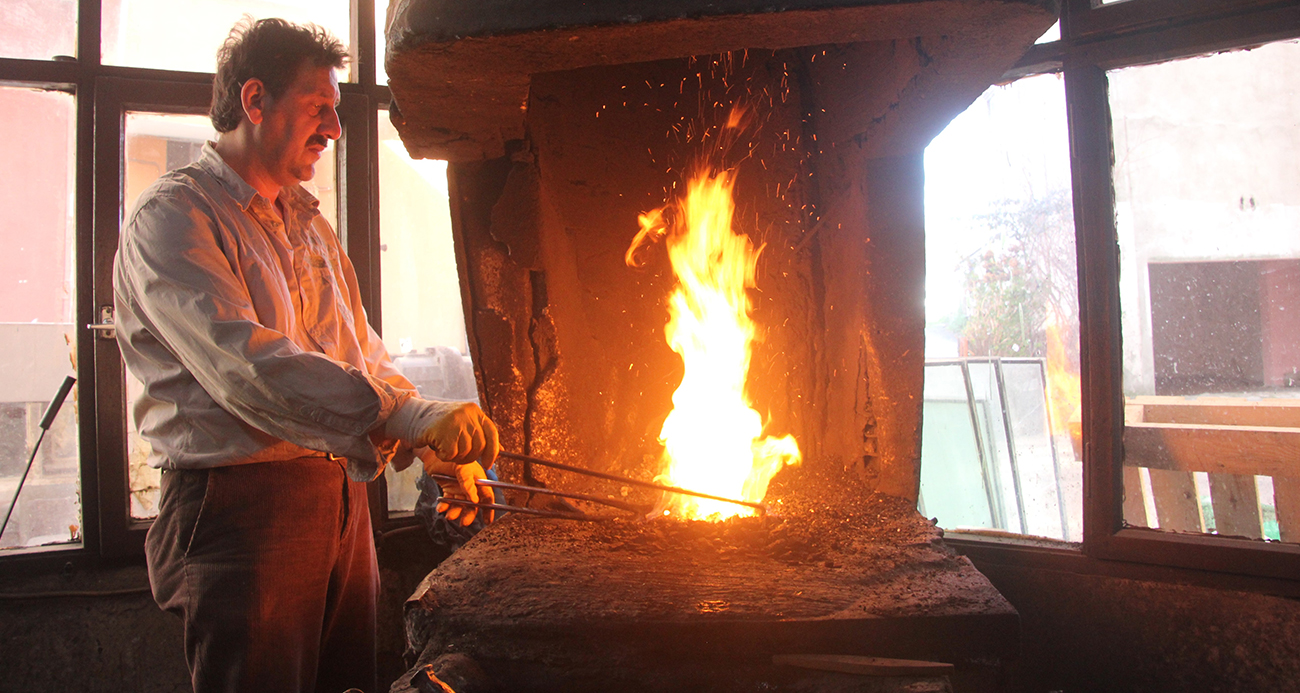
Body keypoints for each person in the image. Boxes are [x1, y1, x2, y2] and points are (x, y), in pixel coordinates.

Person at [113, 17, 497, 693]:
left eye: (338, 111)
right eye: (319, 107)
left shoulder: (308, 225)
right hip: (239, 508)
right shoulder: (175, 218)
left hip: (337, 493)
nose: (336, 129)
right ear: (255, 100)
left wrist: (434, 442)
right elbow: (248, 367)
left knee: (344, 681)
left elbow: (357, 349)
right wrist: (405, 418)